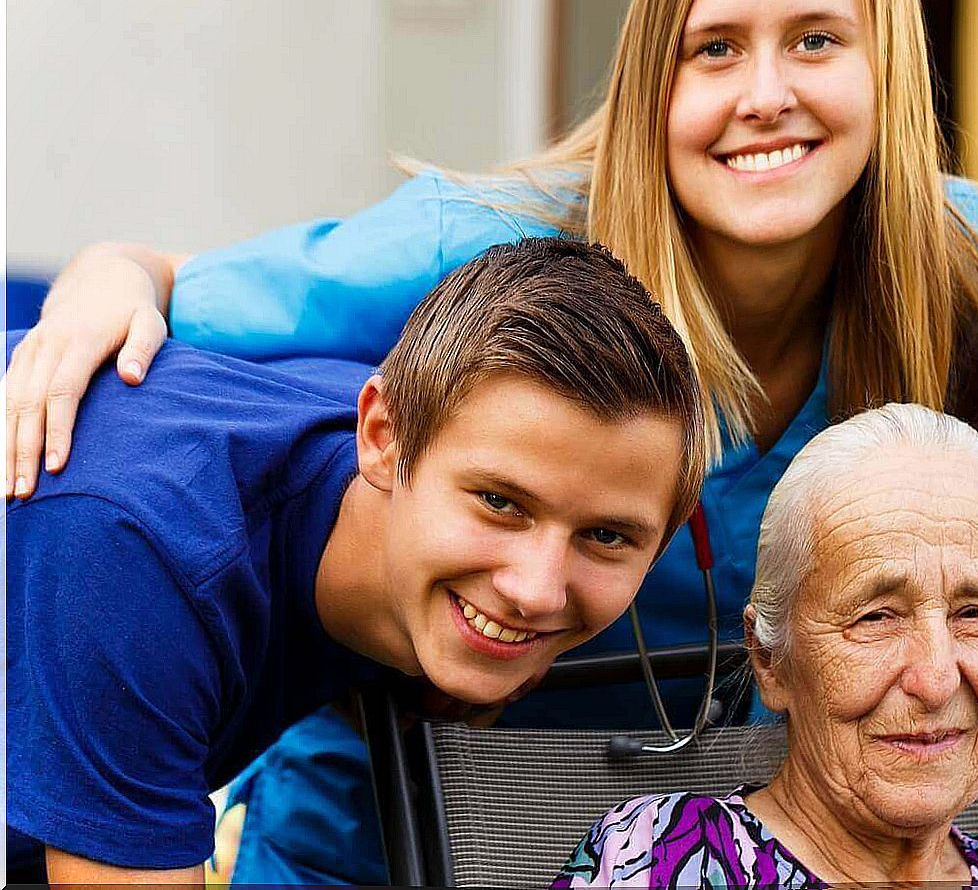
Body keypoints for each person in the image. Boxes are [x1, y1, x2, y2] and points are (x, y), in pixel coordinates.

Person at [3, 0, 978, 881]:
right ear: (649, 77)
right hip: (391, 819)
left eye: (815, 41)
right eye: (712, 49)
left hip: (709, 837)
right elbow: (173, 312)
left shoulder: (966, 269)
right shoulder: (485, 250)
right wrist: (96, 288)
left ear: (887, 61)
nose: (764, 93)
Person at [5, 240, 706, 883]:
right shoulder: (141, 563)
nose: (535, 589)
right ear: (380, 437)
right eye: (499, 501)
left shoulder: (410, 475)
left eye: (607, 537)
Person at [555, 404, 978, 889]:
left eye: (974, 613)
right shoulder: (665, 860)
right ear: (771, 661)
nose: (936, 680)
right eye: (877, 617)